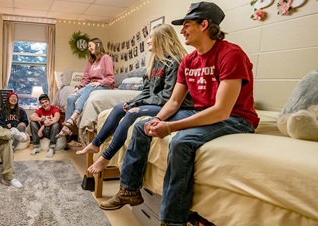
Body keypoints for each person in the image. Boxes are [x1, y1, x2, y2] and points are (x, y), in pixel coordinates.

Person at [98, 3, 260, 226]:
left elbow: (222, 110)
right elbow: (174, 102)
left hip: (236, 118)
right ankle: (129, 189)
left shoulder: (231, 54)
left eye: (186, 25)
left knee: (182, 141)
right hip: (201, 112)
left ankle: (173, 220)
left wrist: (172, 128)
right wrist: (157, 120)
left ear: (204, 24)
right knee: (140, 125)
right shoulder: (189, 61)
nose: (182, 31)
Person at [76, 24, 194, 174]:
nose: (148, 40)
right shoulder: (154, 62)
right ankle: (95, 143)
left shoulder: (174, 62)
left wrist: (136, 106)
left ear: (161, 39)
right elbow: (146, 90)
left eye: (151, 37)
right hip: (158, 102)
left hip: (173, 106)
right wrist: (132, 102)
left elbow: (168, 96)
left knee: (132, 112)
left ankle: (105, 157)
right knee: (120, 107)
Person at [57, 38, 115, 137]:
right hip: (91, 86)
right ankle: (66, 127)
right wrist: (78, 87)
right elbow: (86, 78)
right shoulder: (91, 61)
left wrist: (100, 82)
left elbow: (111, 78)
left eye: (90, 46)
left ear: (97, 45)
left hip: (104, 86)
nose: (89, 48)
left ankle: (75, 115)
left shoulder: (106, 58)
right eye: (88, 47)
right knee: (71, 98)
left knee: (89, 86)